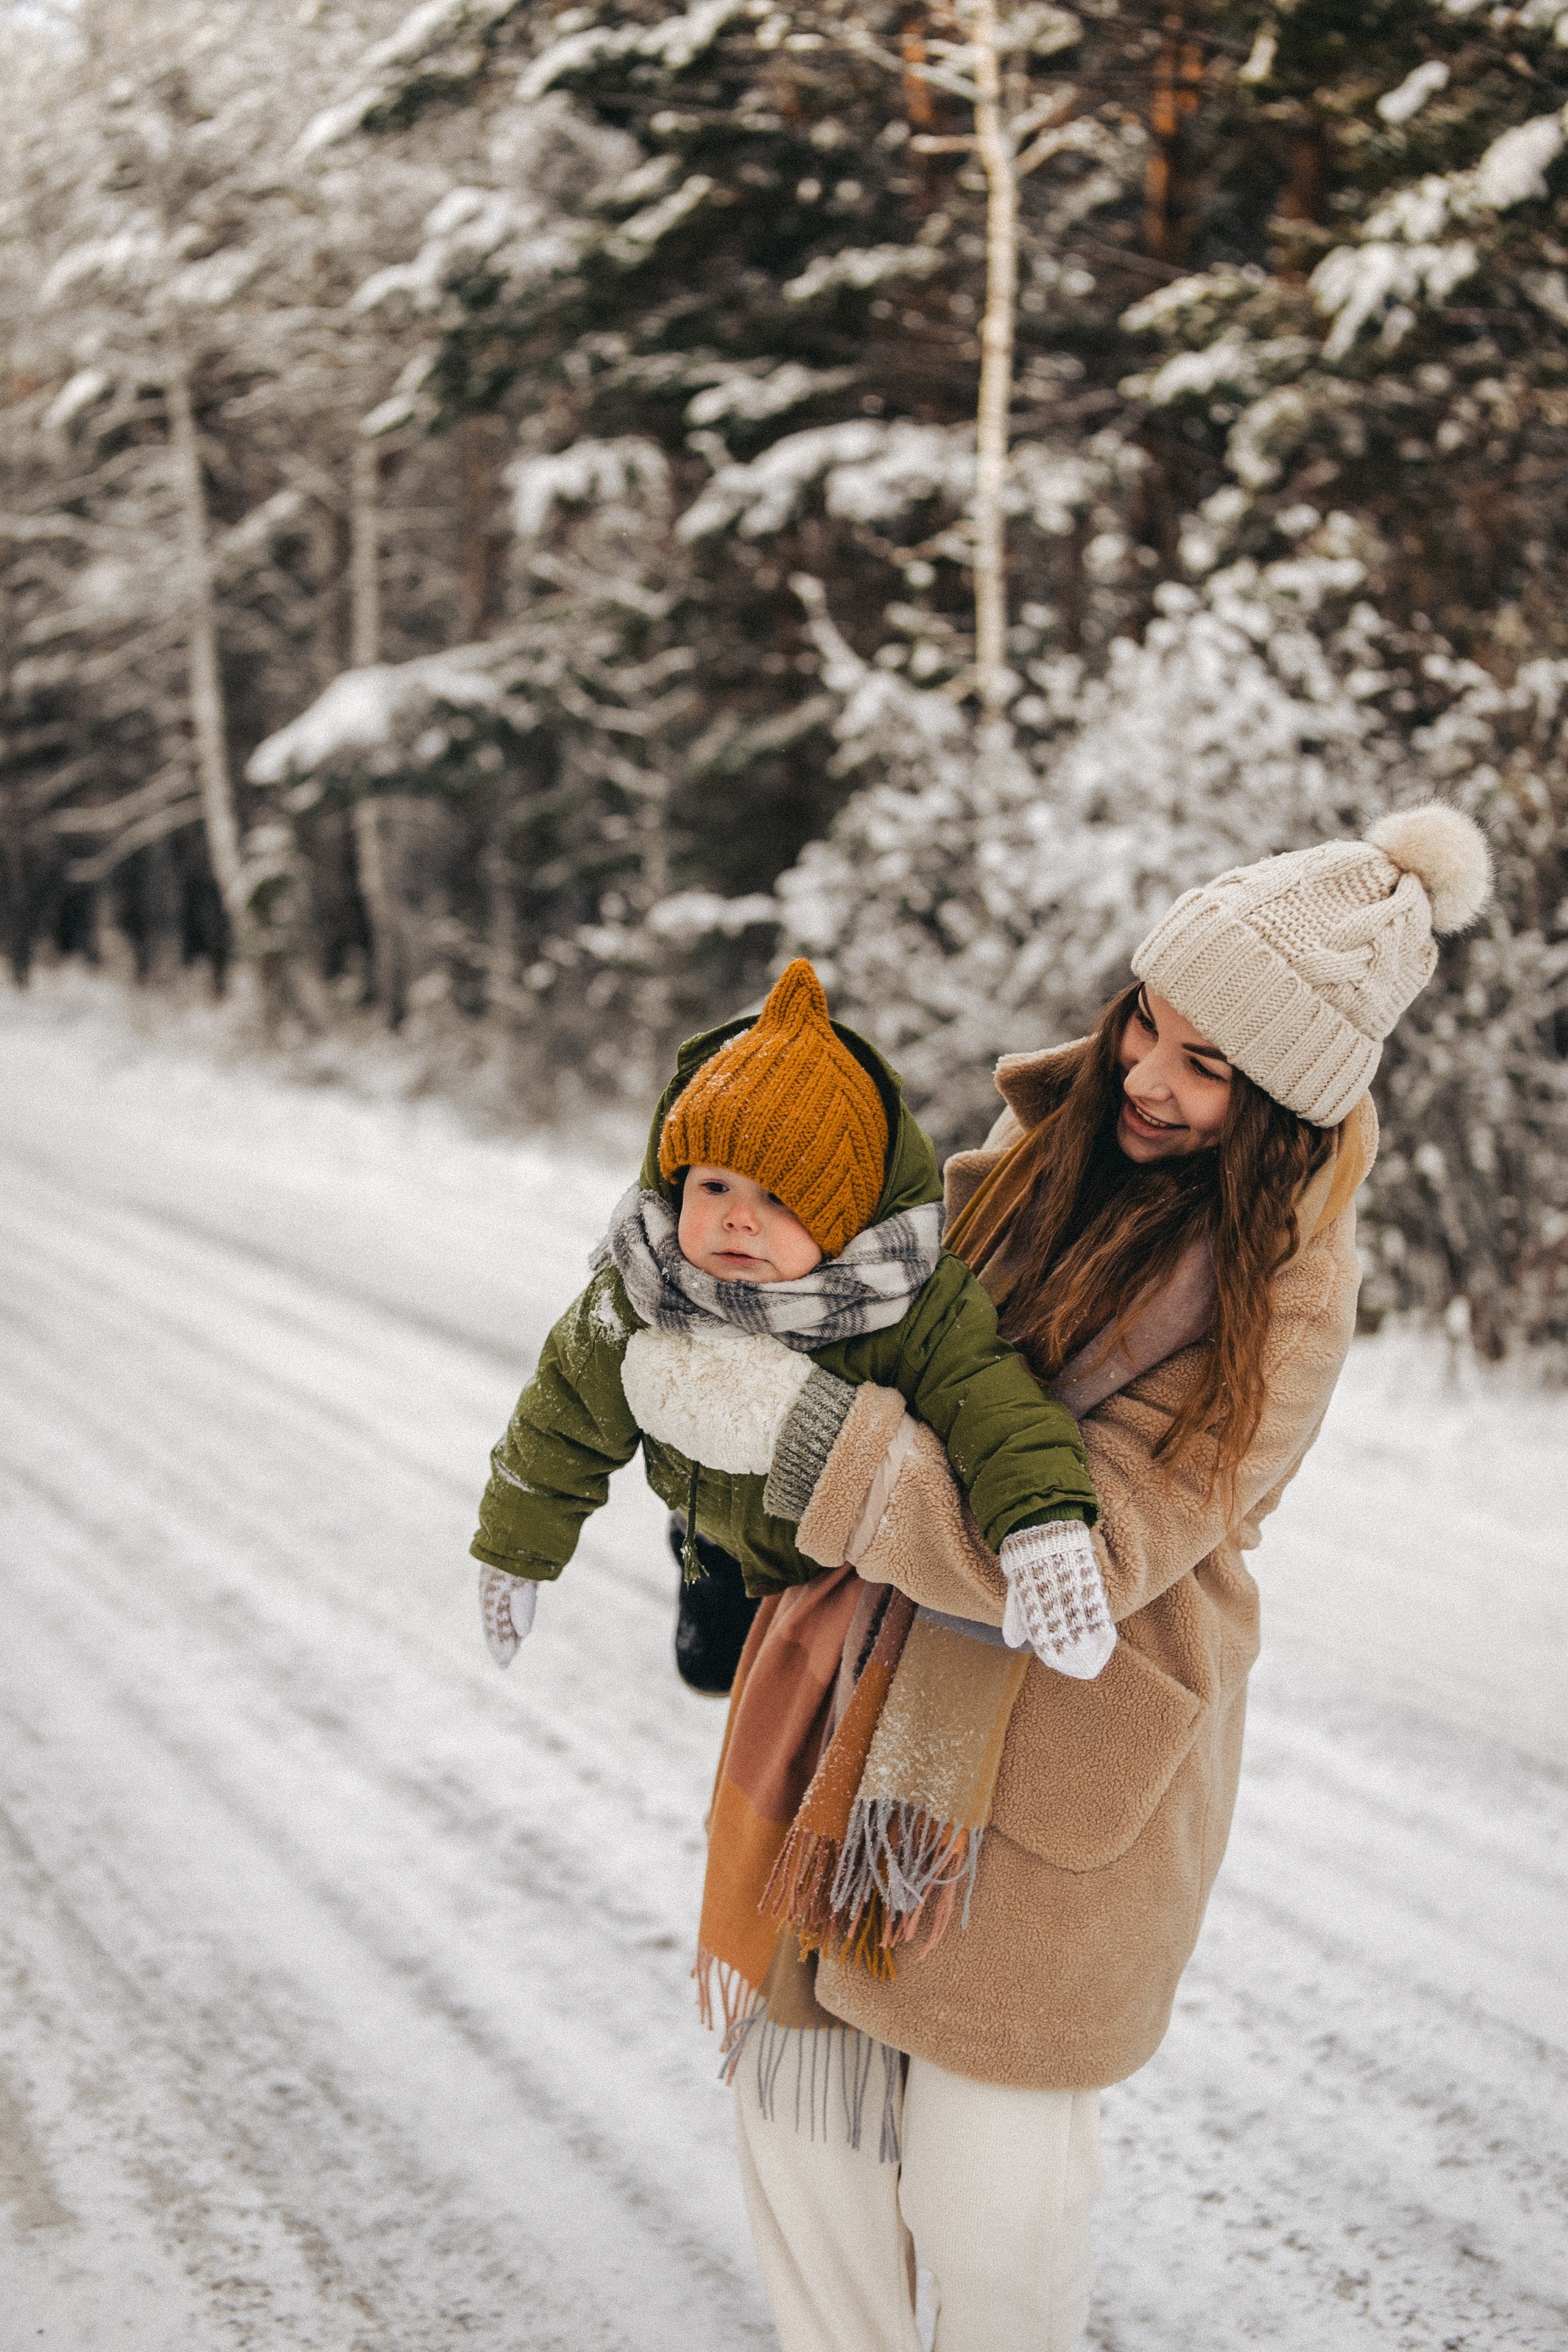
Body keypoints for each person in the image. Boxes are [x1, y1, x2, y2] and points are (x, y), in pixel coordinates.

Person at [690, 806, 1491, 2352]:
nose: (1146, 1077)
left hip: (1048, 1769)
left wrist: (824, 1451)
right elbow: (838, 1330)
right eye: (1148, 1026)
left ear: (1281, 1108)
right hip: (855, 1735)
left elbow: (1091, 1543)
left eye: (1205, 1068)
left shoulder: (1285, 1299)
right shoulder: (1010, 1174)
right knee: (810, 2159)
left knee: (992, 2225)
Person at [470, 957, 1107, 1697]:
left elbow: (994, 1410)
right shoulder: (643, 1288)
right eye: (714, 1186)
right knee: (709, 1672)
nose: (739, 1217)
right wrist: (514, 1548)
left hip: (842, 1567)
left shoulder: (901, 1303)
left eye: (782, 1198)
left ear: (845, 1217)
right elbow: (559, 1427)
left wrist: (1041, 1527)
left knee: (803, 1715)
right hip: (711, 1539)